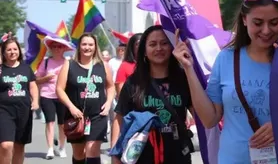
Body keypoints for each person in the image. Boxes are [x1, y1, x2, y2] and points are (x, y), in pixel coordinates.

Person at [173, 0, 278, 164]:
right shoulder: (226, 59)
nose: (266, 30)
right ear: (244, 19)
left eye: (274, 22)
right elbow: (210, 119)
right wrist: (188, 69)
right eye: (258, 22)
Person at [112, 25, 194, 164]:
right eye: (152, 44)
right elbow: (120, 119)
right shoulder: (133, 82)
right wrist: (116, 154)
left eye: (164, 43)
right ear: (144, 51)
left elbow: (201, 116)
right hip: (141, 155)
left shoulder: (185, 79)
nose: (159, 48)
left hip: (178, 155)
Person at [56, 33, 115, 164]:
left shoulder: (103, 65)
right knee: (78, 153)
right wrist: (71, 107)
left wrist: (109, 102)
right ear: (79, 47)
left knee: (92, 150)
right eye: (84, 44)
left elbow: (111, 86)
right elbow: (59, 89)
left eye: (90, 44)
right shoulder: (69, 64)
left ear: (95, 47)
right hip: (76, 117)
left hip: (98, 115)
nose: (87, 47)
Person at [0, 36, 39, 164]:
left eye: (15, 49)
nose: (12, 52)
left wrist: (35, 101)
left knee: (19, 146)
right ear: (4, 53)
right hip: (4, 111)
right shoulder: (1, 69)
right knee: (6, 145)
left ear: (19, 51)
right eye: (9, 50)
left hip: (24, 111)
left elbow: (33, 86)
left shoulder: (26, 68)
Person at [36, 37, 75, 159]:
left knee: (62, 124)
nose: (57, 49)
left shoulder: (68, 62)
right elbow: (36, 80)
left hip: (63, 96)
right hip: (47, 95)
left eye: (59, 46)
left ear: (64, 49)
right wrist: (46, 78)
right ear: (50, 49)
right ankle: (50, 149)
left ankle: (62, 147)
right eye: (54, 46)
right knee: (50, 122)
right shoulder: (45, 62)